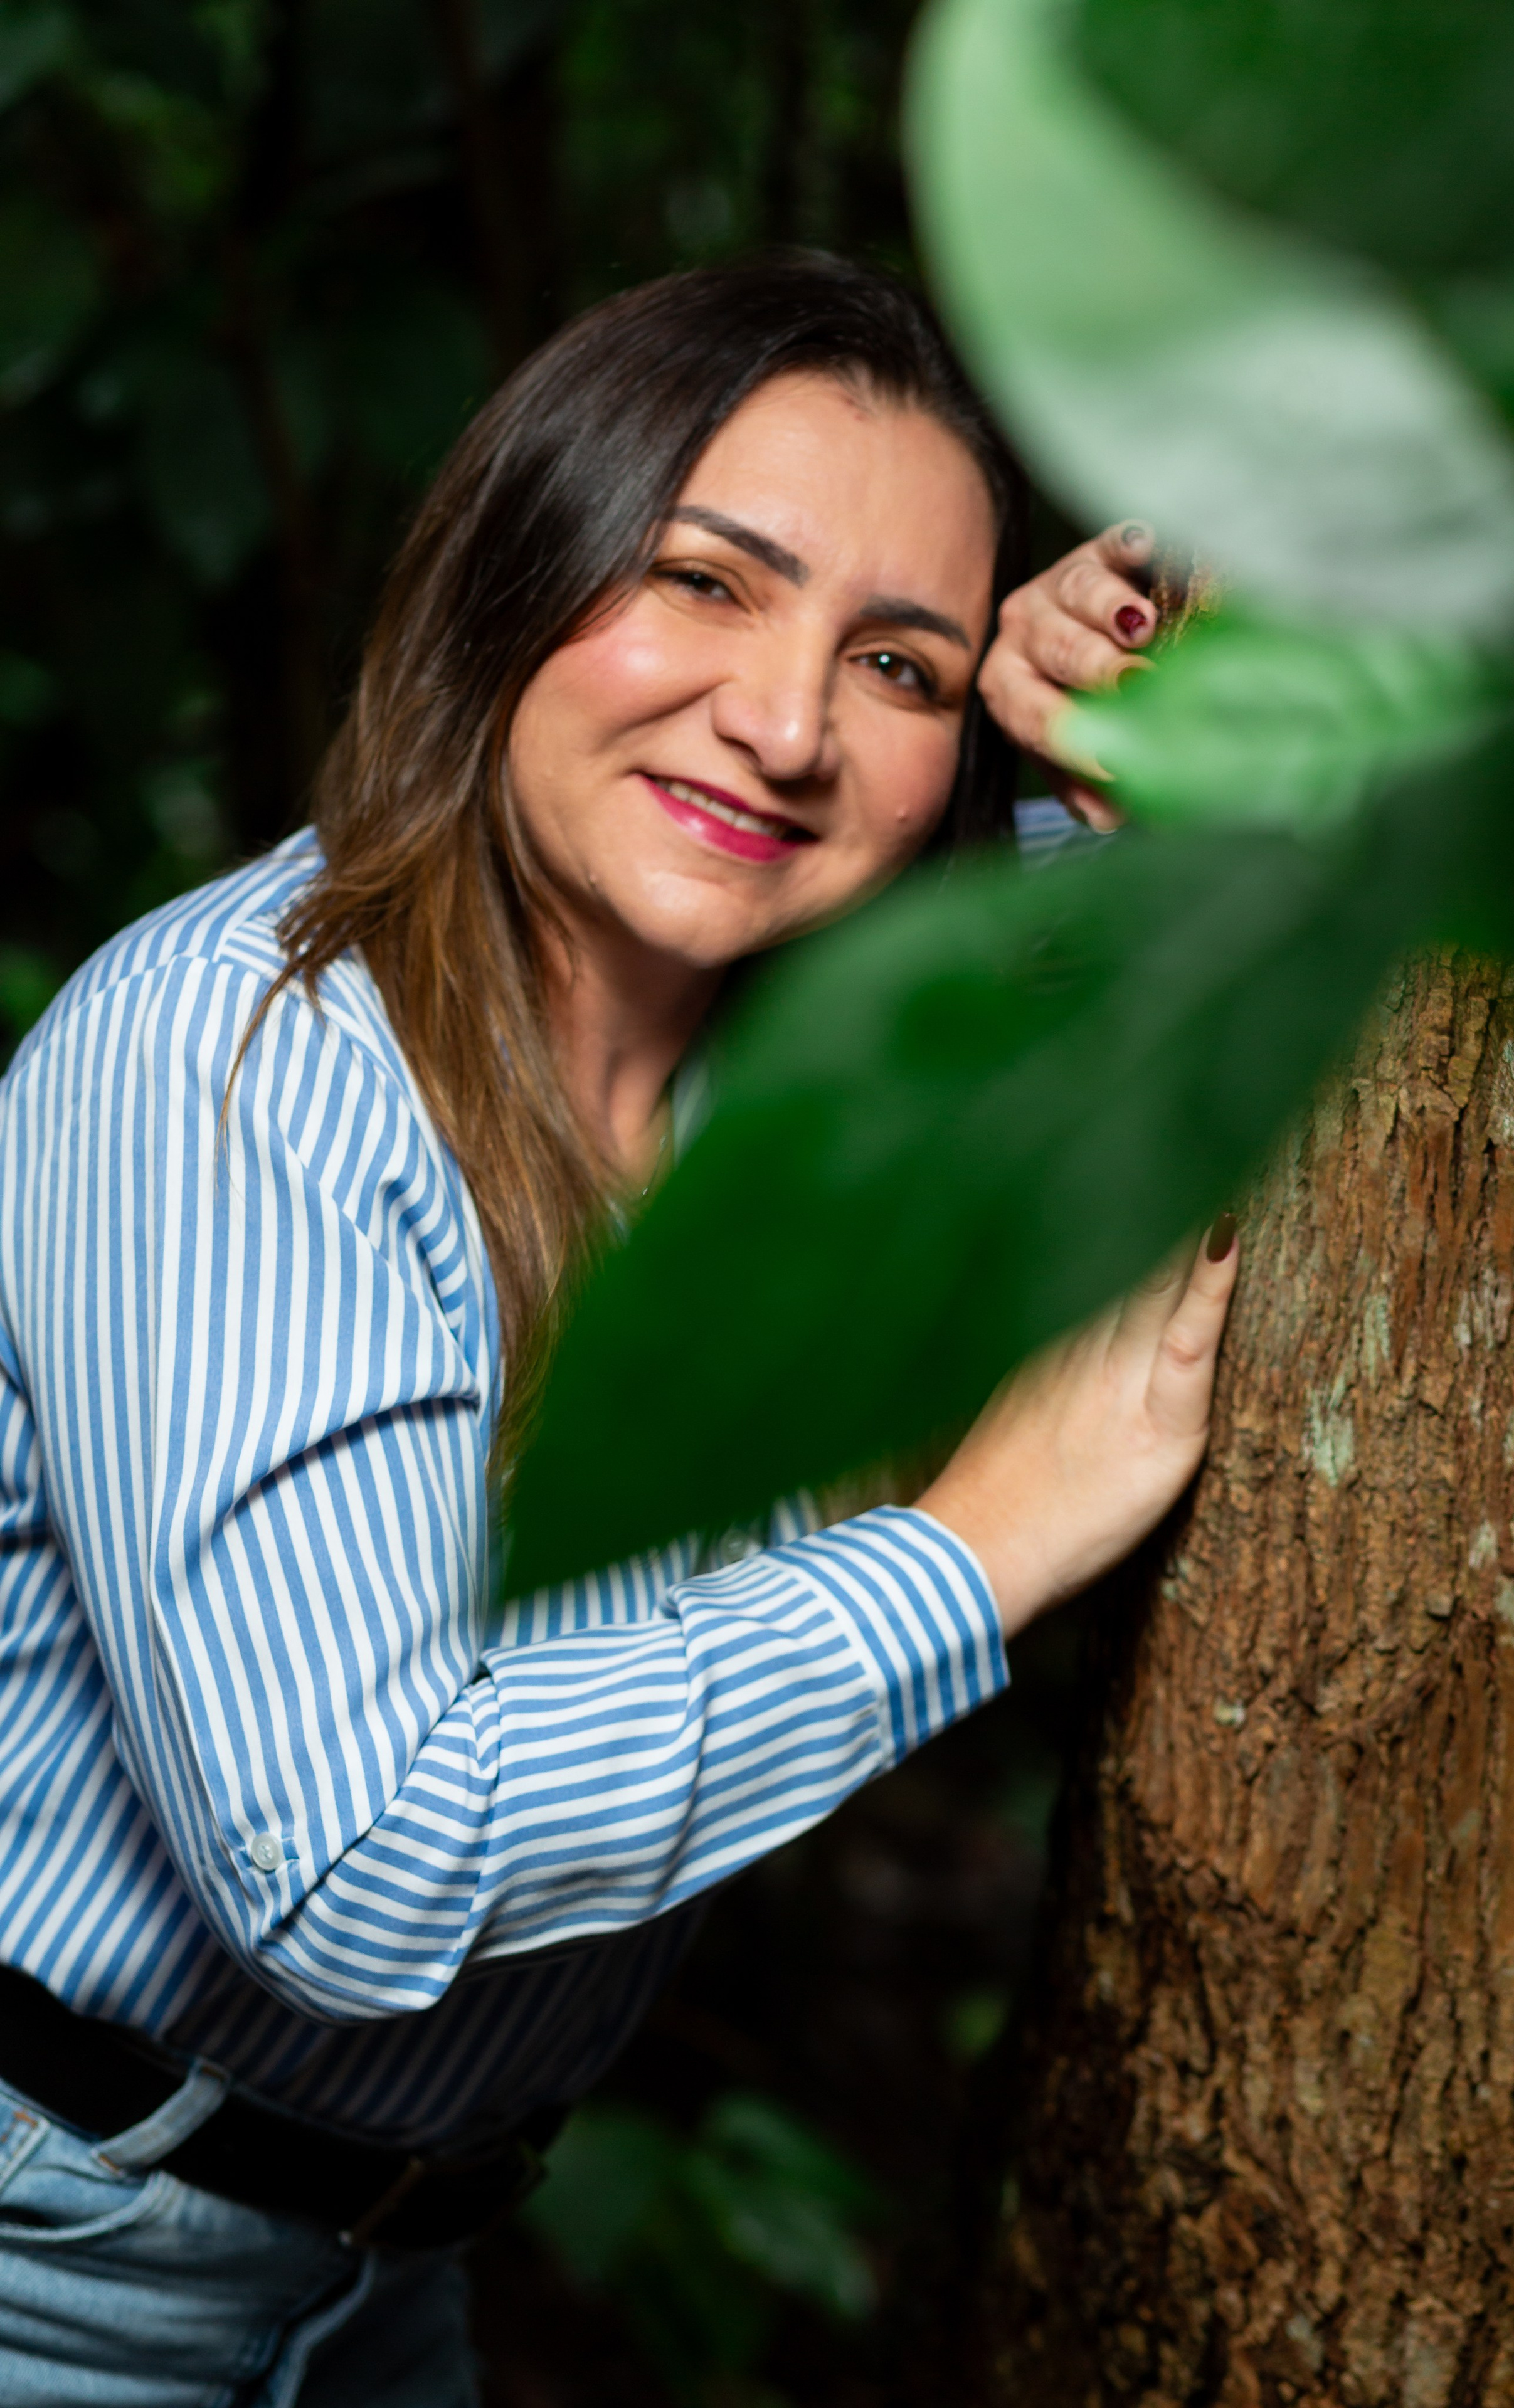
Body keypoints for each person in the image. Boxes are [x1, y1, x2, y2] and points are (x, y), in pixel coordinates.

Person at [0, 255, 1236, 2405]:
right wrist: (976, 1551)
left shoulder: (753, 1097)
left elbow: (1083, 1064)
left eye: (899, 665)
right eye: (704, 582)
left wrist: (1093, 764)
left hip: (388, 2280)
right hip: (58, 2266)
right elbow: (346, 1861)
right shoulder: (245, 1062)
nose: (785, 724)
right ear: (512, 576)